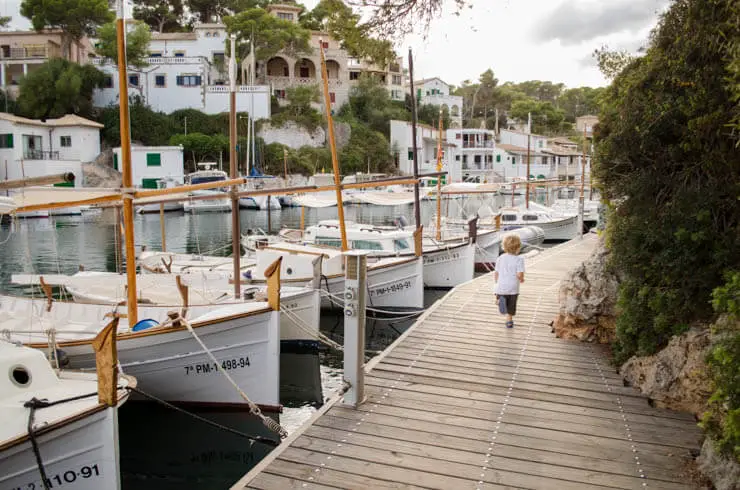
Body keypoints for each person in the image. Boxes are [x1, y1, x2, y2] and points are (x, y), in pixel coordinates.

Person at [494, 234, 525, 328]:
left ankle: (498, 298)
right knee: (511, 305)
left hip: (501, 285)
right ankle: (509, 320)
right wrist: (522, 279)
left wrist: (497, 282)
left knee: (500, 292)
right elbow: (519, 274)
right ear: (518, 247)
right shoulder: (519, 259)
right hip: (513, 287)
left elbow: (496, 273)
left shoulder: (500, 258)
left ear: (504, 246)